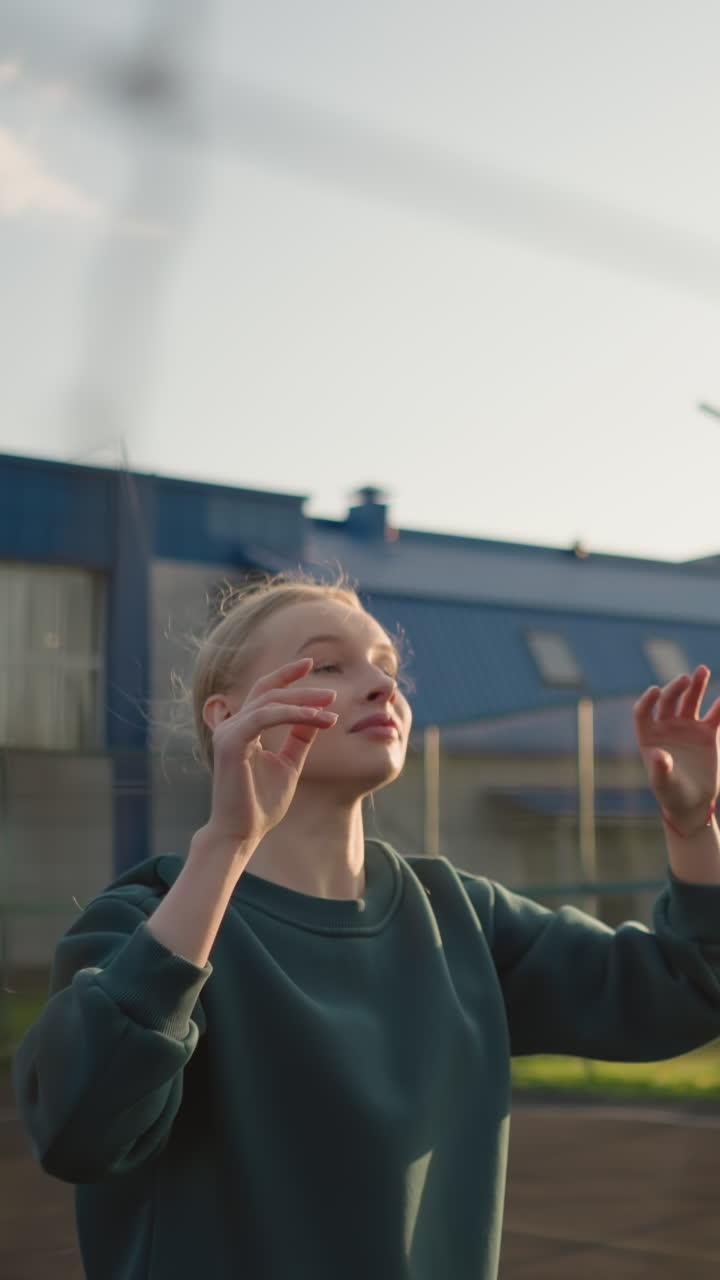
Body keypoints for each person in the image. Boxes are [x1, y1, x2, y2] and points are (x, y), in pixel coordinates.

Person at [13, 574, 720, 1280]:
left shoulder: (459, 918)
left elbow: (684, 989)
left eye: (386, 667)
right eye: (327, 664)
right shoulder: (149, 919)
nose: (381, 686)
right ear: (226, 715)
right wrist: (226, 844)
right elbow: (81, 1132)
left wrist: (693, 828)